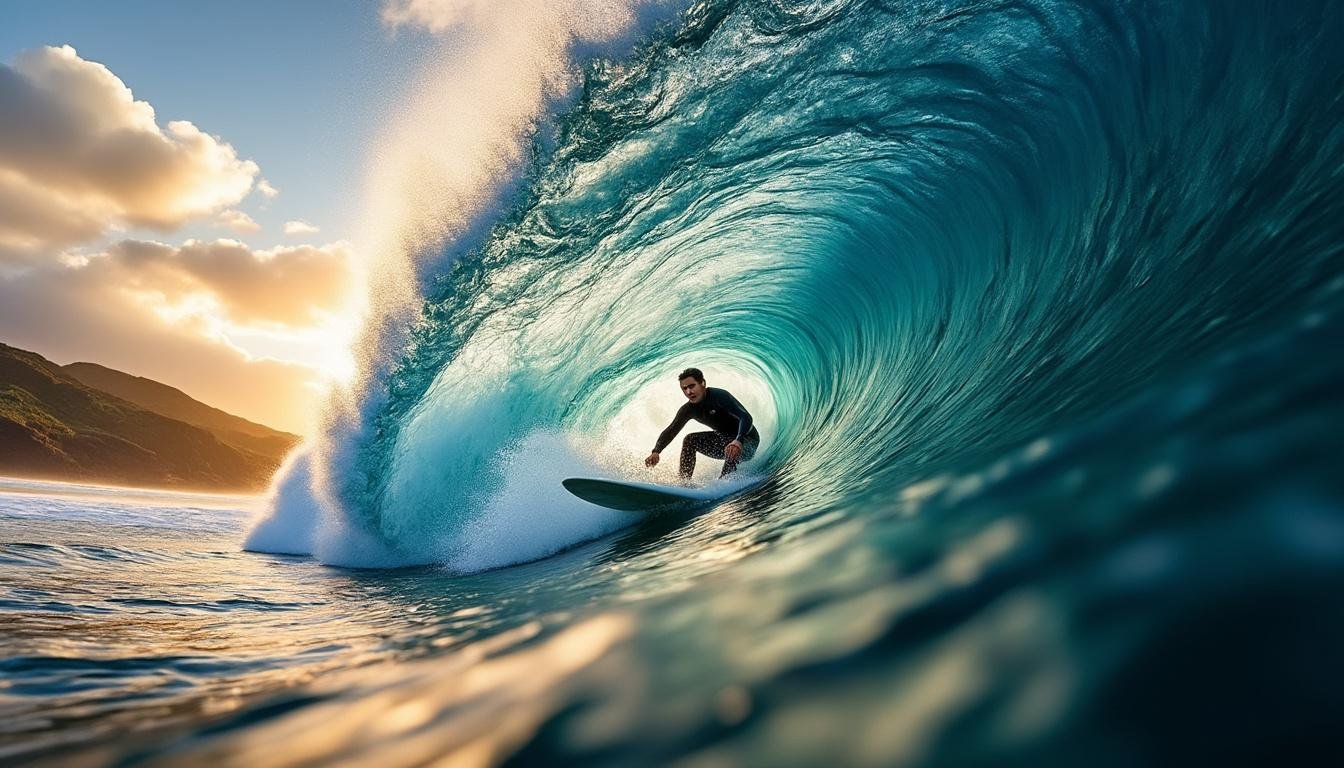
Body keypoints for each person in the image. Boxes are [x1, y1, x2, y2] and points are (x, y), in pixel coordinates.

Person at [645, 367, 761, 480]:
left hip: (747, 441)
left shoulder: (719, 396)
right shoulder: (688, 410)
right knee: (690, 440)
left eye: (692, 386)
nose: (689, 392)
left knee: (730, 444)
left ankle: (725, 482)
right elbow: (671, 430)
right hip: (725, 442)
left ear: (703, 383)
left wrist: (738, 440)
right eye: (684, 388)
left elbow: (745, 417)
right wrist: (656, 451)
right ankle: (684, 482)